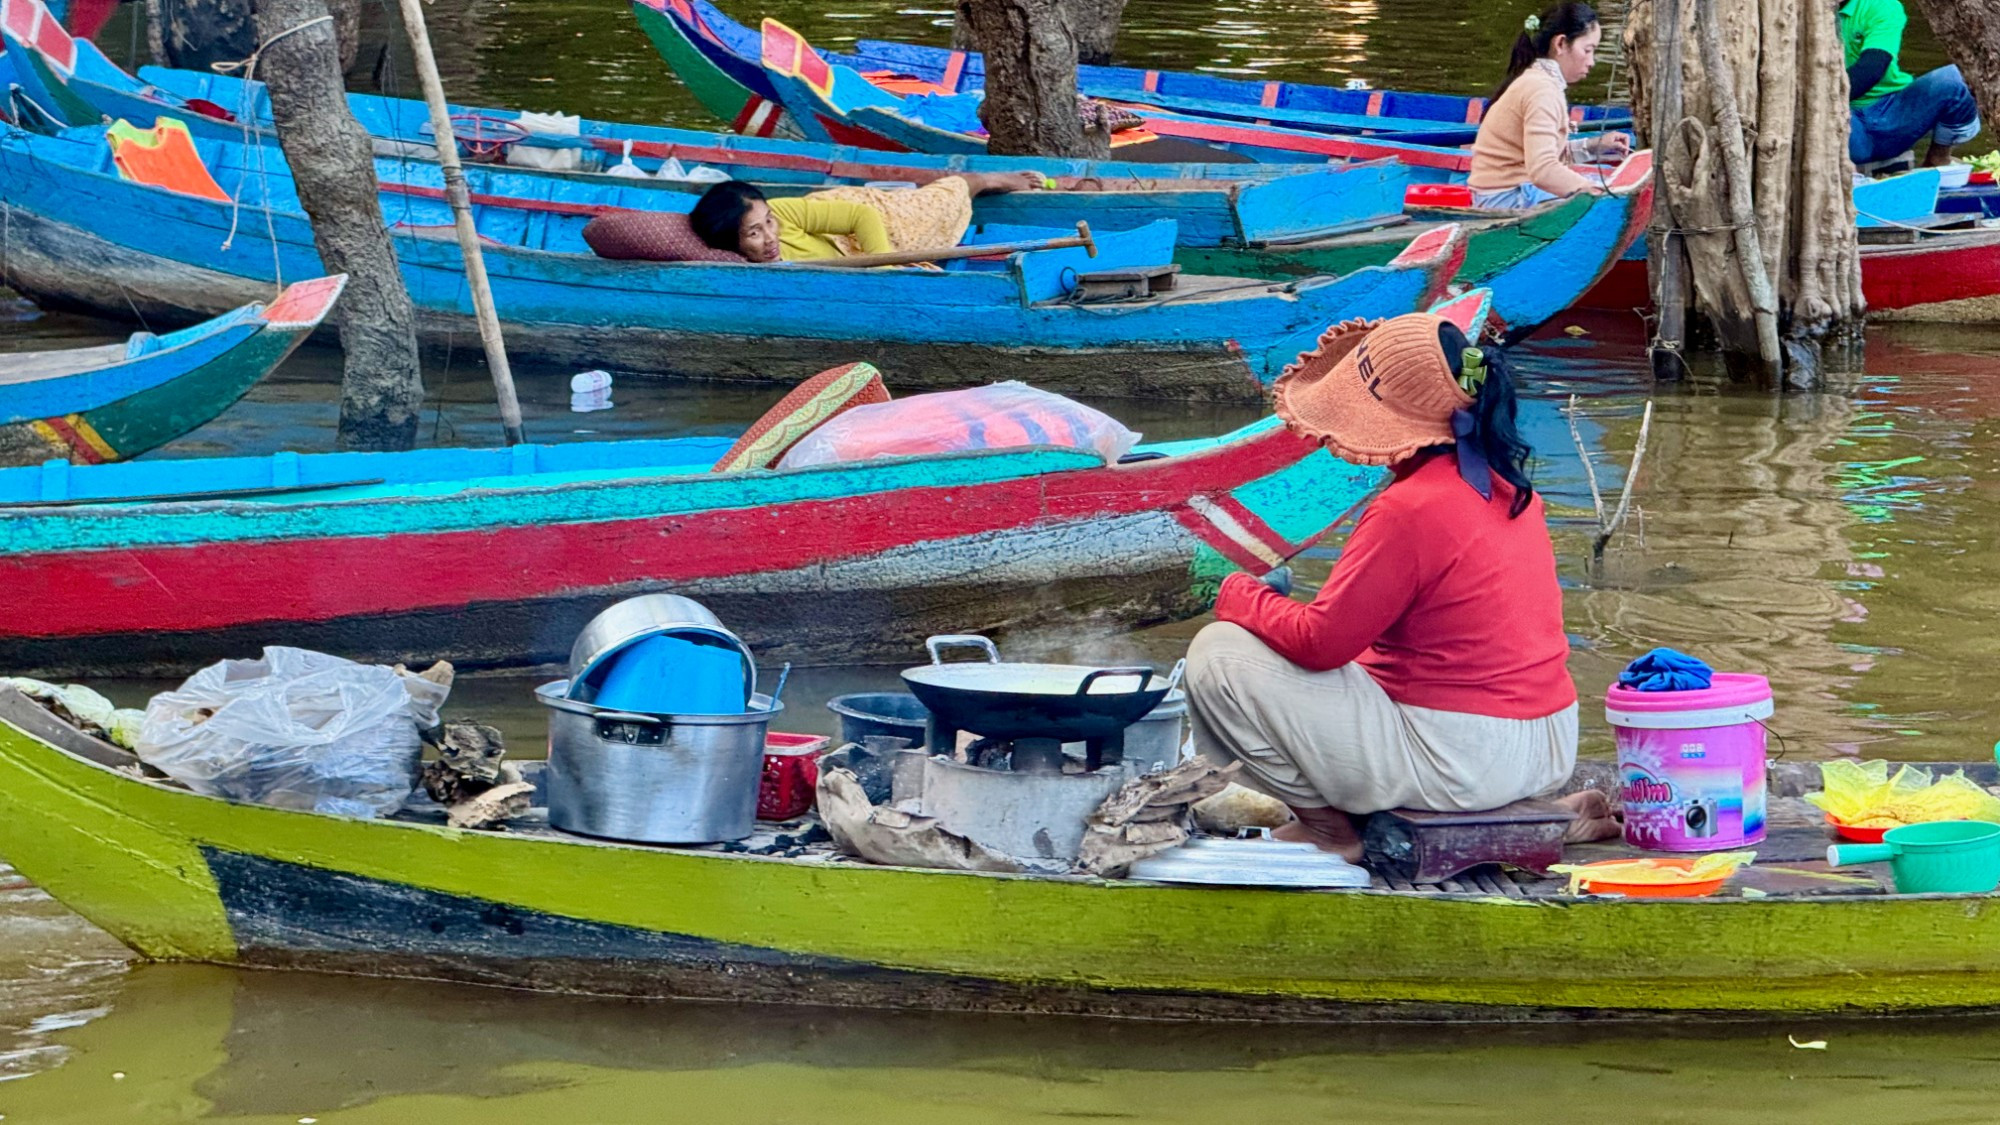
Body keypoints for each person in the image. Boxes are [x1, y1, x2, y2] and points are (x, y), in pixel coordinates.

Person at [1181, 312, 1618, 860]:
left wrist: (1239, 594)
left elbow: (1321, 644)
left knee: (1218, 655)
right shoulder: (1509, 487)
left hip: (1467, 762)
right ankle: (1545, 815)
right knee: (1345, 662)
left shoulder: (1410, 507)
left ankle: (1328, 831)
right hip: (1545, 747)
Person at [1467, 2, 1630, 211]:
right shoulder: (1541, 90)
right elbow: (1543, 170)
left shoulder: (1538, 81)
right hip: (1507, 197)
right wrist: (1593, 191)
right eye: (1587, 50)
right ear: (1561, 44)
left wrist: (1592, 147)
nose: (1591, 62)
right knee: (1609, 198)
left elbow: (1545, 158)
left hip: (1503, 192)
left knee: (1599, 185)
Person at [687, 171, 1045, 263]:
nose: (769, 238)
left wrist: (884, 264)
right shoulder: (733, 258)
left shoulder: (782, 212)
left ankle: (981, 179)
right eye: (753, 233)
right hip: (849, 253)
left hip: (863, 221)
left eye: (768, 222)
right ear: (731, 242)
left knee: (936, 204)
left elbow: (860, 216)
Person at [1840, 0, 1980, 168]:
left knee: (1958, 78)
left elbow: (1873, 66)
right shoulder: (1806, 15)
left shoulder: (1881, 5)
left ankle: (1938, 159)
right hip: (1845, 118)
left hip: (1893, 111)